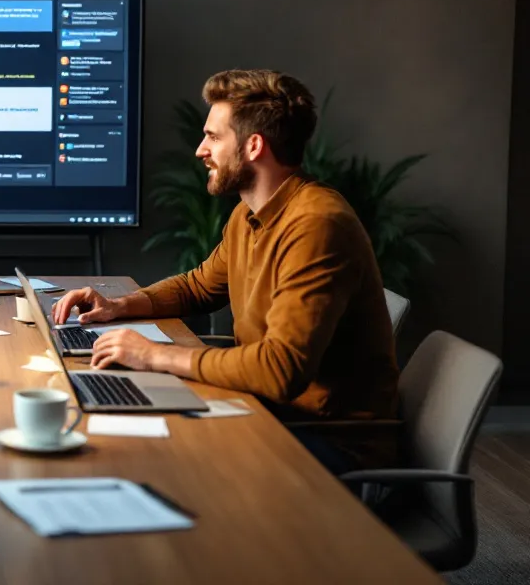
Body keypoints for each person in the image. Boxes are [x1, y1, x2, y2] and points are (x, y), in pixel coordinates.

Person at [52, 69, 399, 473]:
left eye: (214, 137)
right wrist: (117, 306)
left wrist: (156, 355)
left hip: (327, 444)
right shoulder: (248, 215)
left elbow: (279, 371)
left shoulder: (316, 225)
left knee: (147, 460)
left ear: (253, 145)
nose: (201, 150)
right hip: (270, 412)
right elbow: (197, 287)